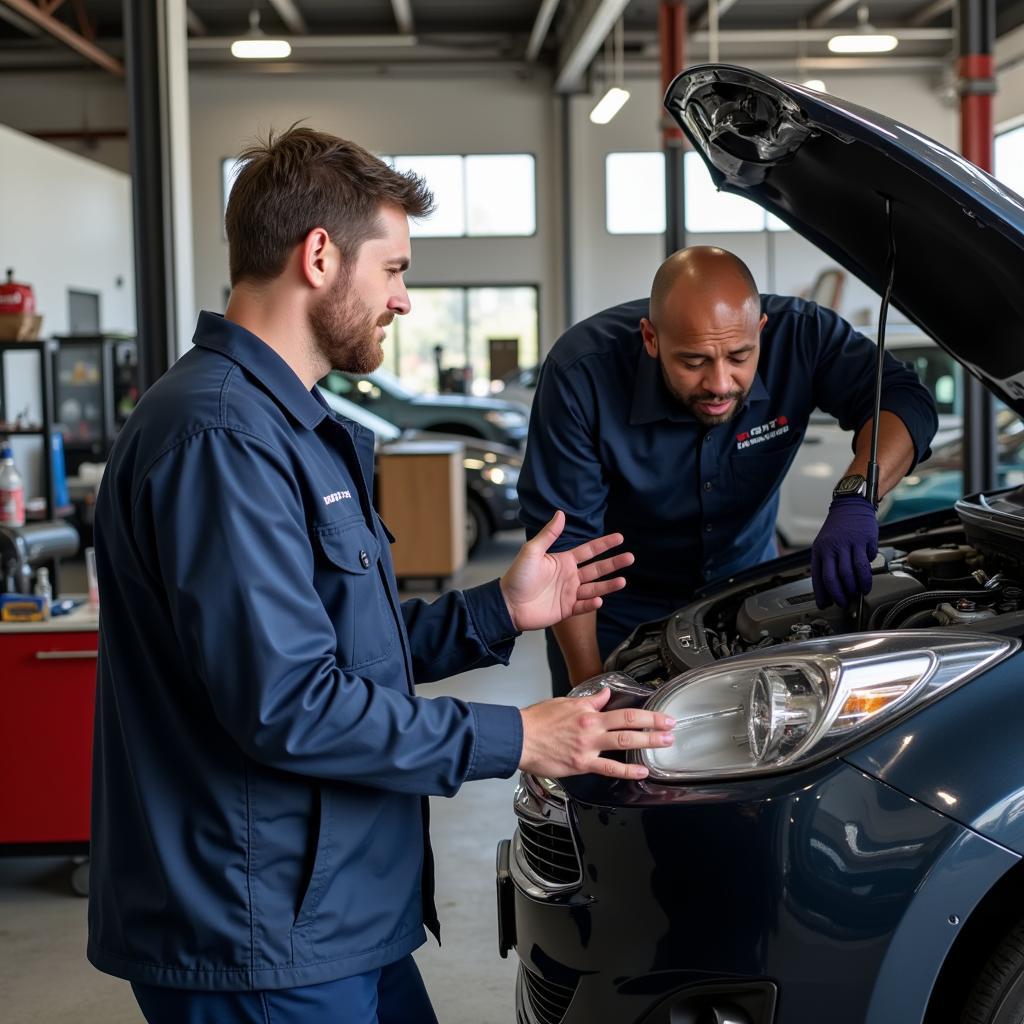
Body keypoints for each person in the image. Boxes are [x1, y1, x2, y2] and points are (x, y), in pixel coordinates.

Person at [87, 126, 676, 1024]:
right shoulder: (221, 440)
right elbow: (288, 702)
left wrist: (499, 611)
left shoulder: (287, 428)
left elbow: (337, 648)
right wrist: (518, 736)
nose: (403, 300)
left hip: (332, 915)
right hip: (257, 933)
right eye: (394, 269)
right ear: (320, 255)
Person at [518, 246, 938, 696]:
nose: (720, 383)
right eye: (693, 362)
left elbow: (904, 398)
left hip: (746, 593)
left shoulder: (802, 335)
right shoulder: (581, 374)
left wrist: (857, 494)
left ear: (761, 331)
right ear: (651, 338)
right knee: (602, 760)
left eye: (739, 356)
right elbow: (567, 551)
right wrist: (589, 687)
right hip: (612, 607)